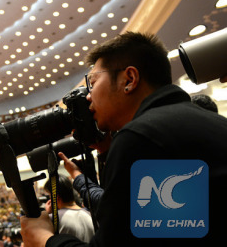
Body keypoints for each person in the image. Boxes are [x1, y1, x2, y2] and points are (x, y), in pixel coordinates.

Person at [20, 32, 227, 246]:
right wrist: (108, 151)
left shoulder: (142, 137)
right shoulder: (197, 124)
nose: (88, 96)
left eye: (93, 83)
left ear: (129, 79)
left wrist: (44, 239)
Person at [42, 174, 94, 242]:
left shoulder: (54, 218)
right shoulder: (90, 214)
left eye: (50, 196)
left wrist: (47, 215)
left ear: (56, 198)